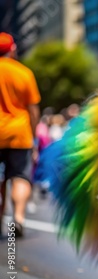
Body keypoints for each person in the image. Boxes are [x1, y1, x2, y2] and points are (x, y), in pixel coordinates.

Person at [0, 32, 41, 237]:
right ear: (12, 49)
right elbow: (33, 110)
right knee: (20, 177)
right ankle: (18, 217)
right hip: (19, 135)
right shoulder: (24, 73)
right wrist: (33, 138)